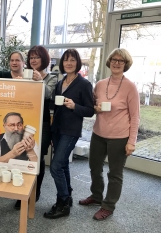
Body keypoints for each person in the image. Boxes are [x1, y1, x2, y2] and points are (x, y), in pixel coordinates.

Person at [79, 48, 140, 221]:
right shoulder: (100, 84)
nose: (116, 63)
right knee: (94, 167)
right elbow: (93, 107)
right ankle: (96, 196)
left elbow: (135, 116)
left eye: (121, 60)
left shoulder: (130, 87)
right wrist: (95, 108)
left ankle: (108, 205)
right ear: (109, 61)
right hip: (99, 133)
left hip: (119, 137)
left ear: (125, 64)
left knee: (115, 174)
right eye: (114, 59)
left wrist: (131, 141)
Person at [44, 49, 94, 219]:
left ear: (77, 62)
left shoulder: (84, 84)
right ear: (62, 63)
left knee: (56, 166)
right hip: (57, 129)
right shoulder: (60, 82)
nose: (69, 63)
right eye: (66, 60)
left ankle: (63, 201)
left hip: (71, 130)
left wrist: (74, 106)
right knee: (63, 164)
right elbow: (54, 107)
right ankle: (68, 195)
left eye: (72, 60)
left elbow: (90, 110)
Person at [13, 45, 57, 209]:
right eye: (31, 58)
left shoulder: (51, 77)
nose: (33, 60)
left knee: (37, 159)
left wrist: (39, 81)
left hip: (43, 123)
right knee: (23, 156)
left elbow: (49, 95)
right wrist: (19, 83)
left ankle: (35, 193)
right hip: (26, 121)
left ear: (44, 59)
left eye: (37, 57)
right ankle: (22, 193)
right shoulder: (24, 75)